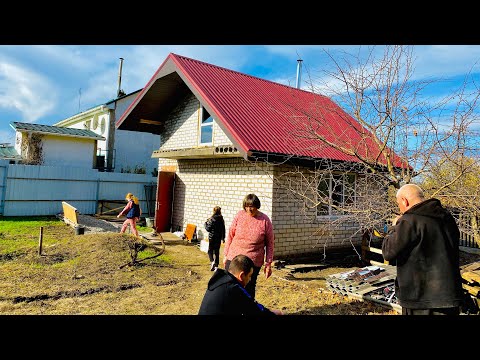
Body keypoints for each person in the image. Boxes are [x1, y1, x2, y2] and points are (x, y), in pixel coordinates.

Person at [382, 183, 464, 315]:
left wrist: (394, 227)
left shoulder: (408, 221)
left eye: (398, 204)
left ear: (405, 201)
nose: (400, 208)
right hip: (449, 296)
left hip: (420, 300)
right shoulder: (446, 218)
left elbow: (388, 252)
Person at [223, 193, 274, 300]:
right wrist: (225, 255)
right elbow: (230, 235)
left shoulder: (265, 220)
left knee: (248, 290)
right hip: (233, 259)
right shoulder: (239, 215)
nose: (249, 209)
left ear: (257, 206)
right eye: (246, 206)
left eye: (252, 206)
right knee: (229, 286)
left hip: (253, 261)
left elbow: (270, 243)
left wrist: (268, 263)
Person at [198, 254, 282, 315]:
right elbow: (255, 310)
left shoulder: (221, 280)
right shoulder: (234, 288)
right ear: (242, 275)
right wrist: (275, 313)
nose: (250, 280)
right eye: (249, 276)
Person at [204, 206, 226, 271]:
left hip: (212, 237)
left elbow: (208, 229)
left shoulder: (212, 219)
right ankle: (216, 265)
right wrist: (223, 238)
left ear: (214, 211)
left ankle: (212, 261)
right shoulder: (221, 219)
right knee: (217, 251)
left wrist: (205, 224)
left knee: (210, 250)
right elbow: (223, 229)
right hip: (218, 237)